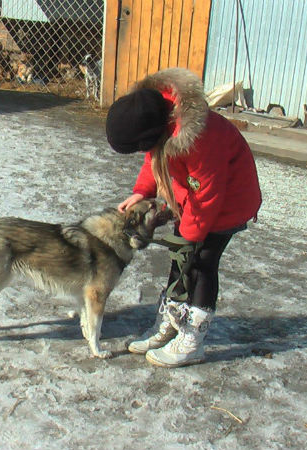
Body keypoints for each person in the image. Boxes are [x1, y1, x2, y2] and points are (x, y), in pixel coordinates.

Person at [105, 68, 262, 368]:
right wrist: (141, 192)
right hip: (193, 199)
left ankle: (193, 339)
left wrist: (189, 237)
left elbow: (207, 196)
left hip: (227, 203)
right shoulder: (157, 117)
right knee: (180, 262)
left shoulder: (200, 138)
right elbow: (153, 158)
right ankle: (171, 322)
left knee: (201, 263)